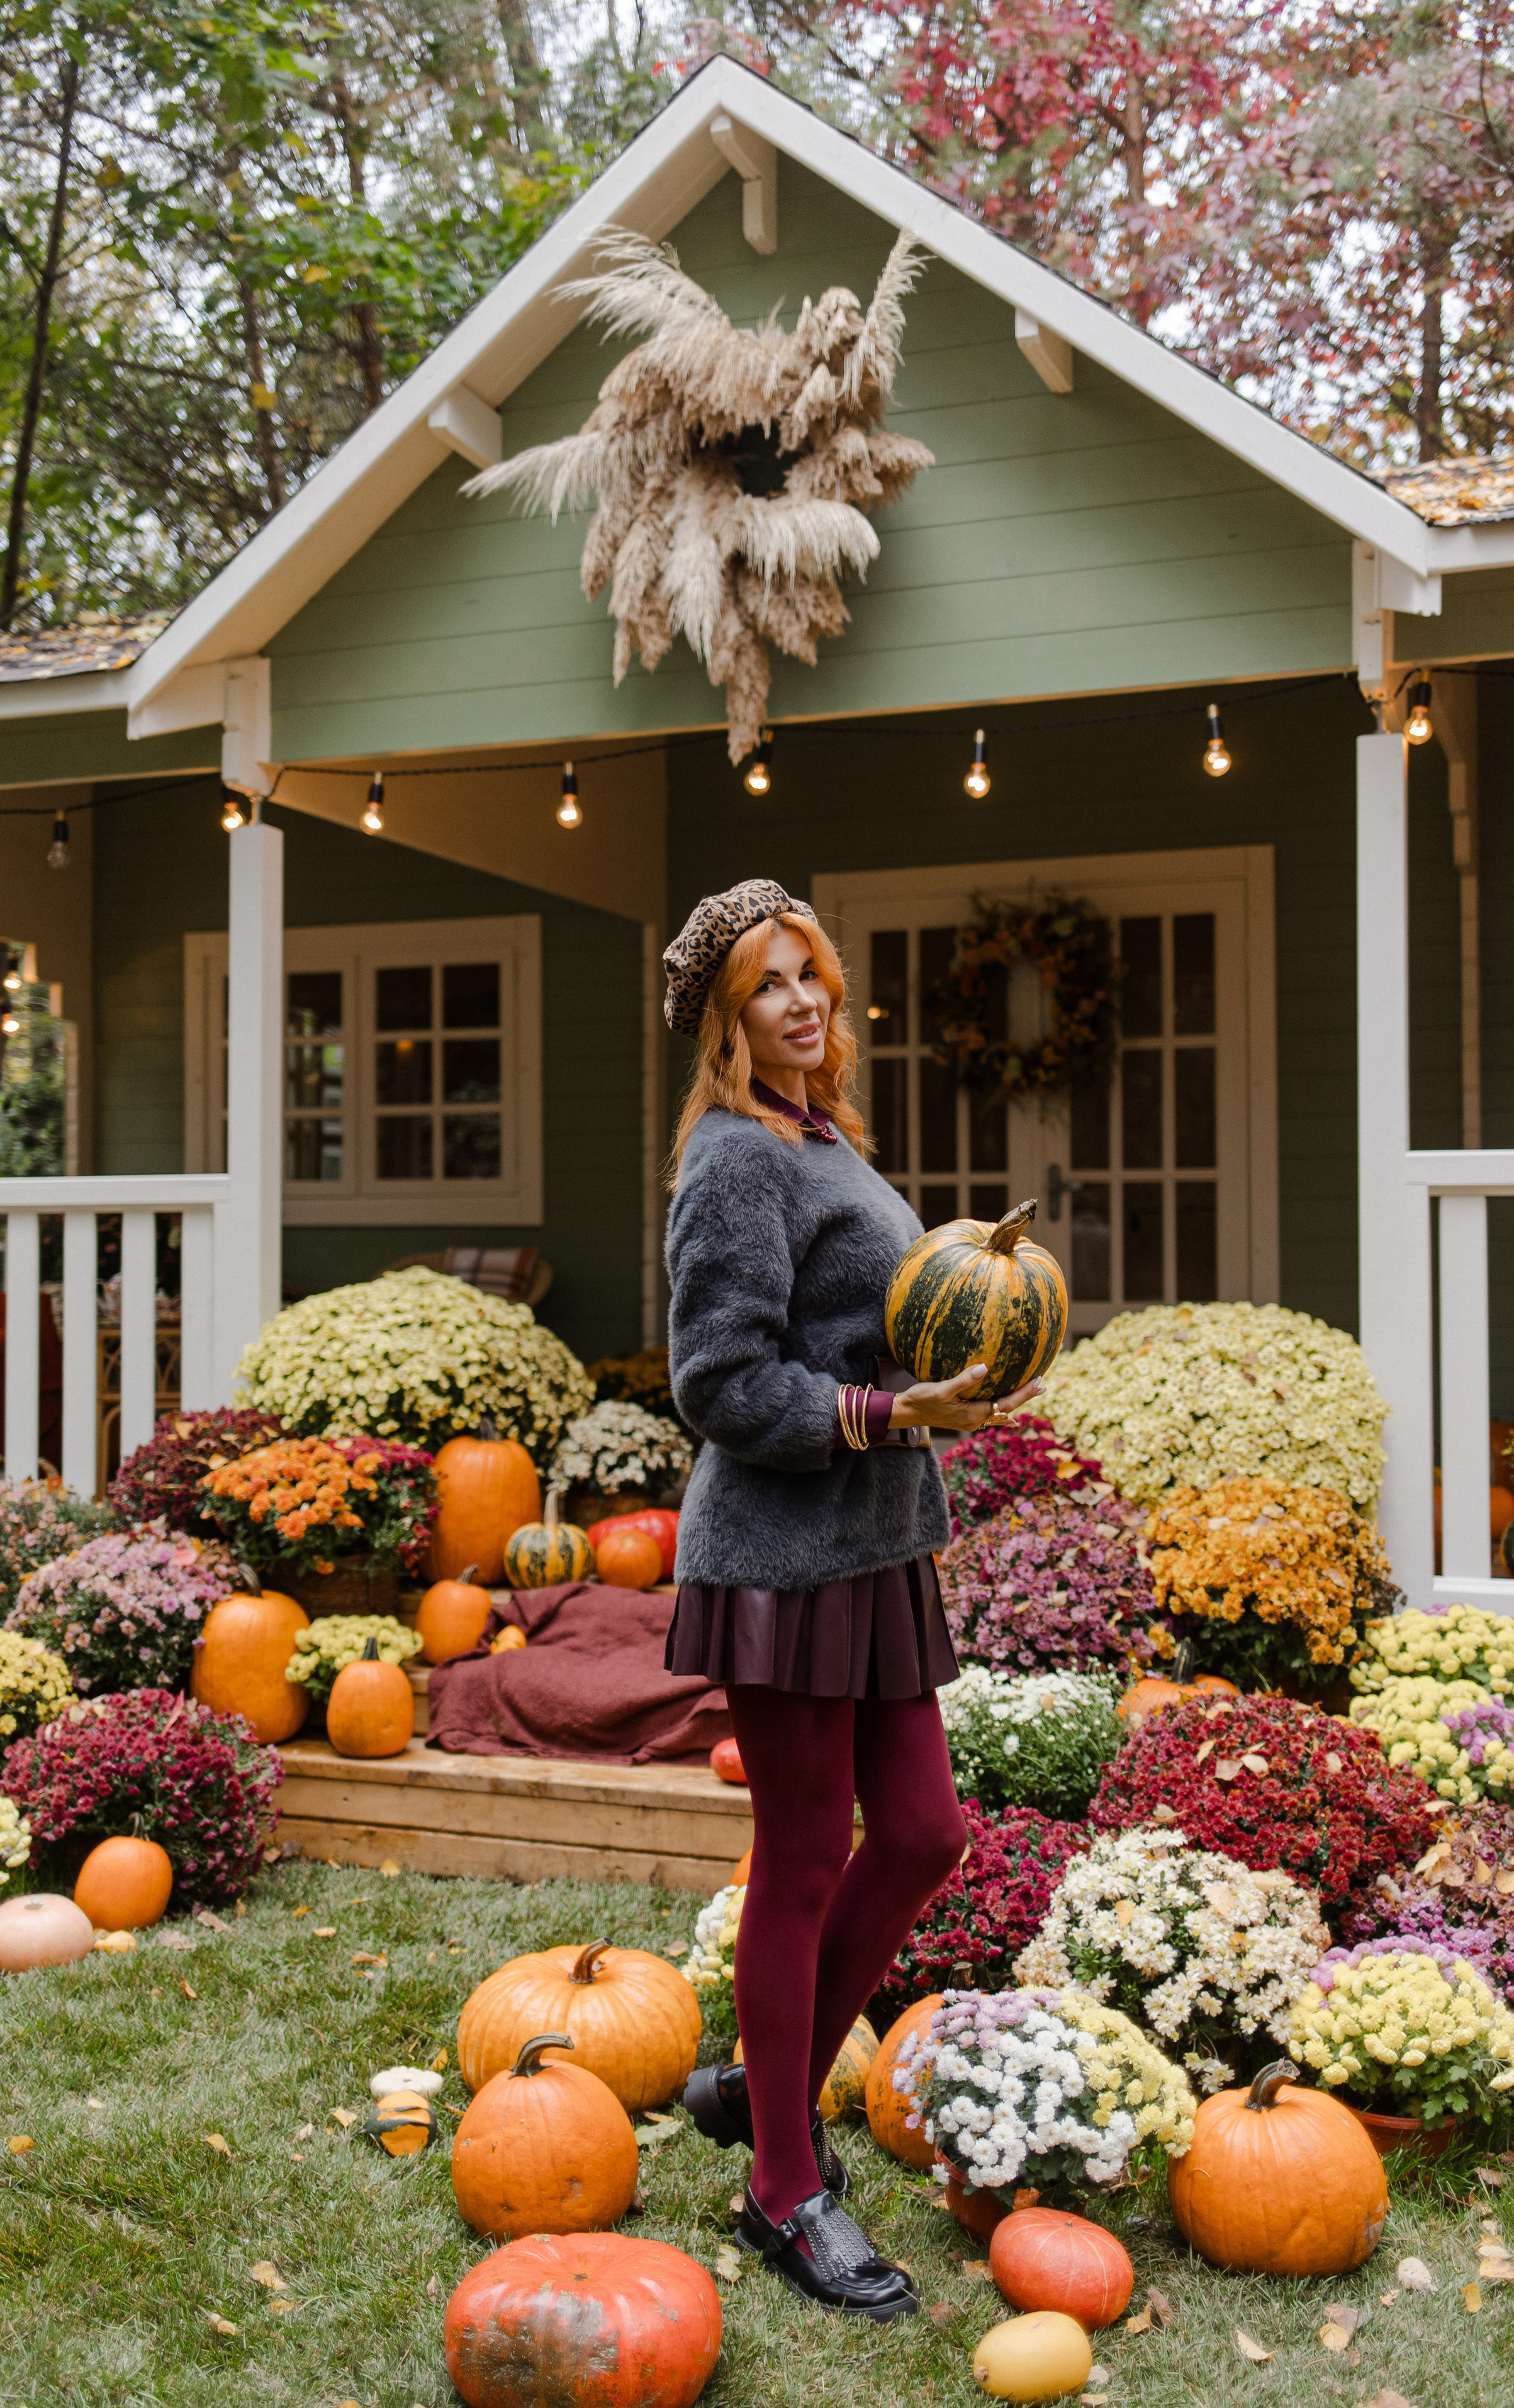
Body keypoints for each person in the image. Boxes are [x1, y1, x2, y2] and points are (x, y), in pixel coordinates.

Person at [662, 876, 1040, 2322]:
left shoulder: (824, 1137)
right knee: (807, 1852)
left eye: (811, 972)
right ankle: (779, 2184)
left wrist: (956, 1372)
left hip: (877, 1544)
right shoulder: (734, 1159)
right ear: (726, 1018)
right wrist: (891, 1411)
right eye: (769, 983)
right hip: (780, 1553)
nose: (804, 999)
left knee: (928, 1832)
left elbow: (870, 1329)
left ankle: (761, 2093)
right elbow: (719, 1381)